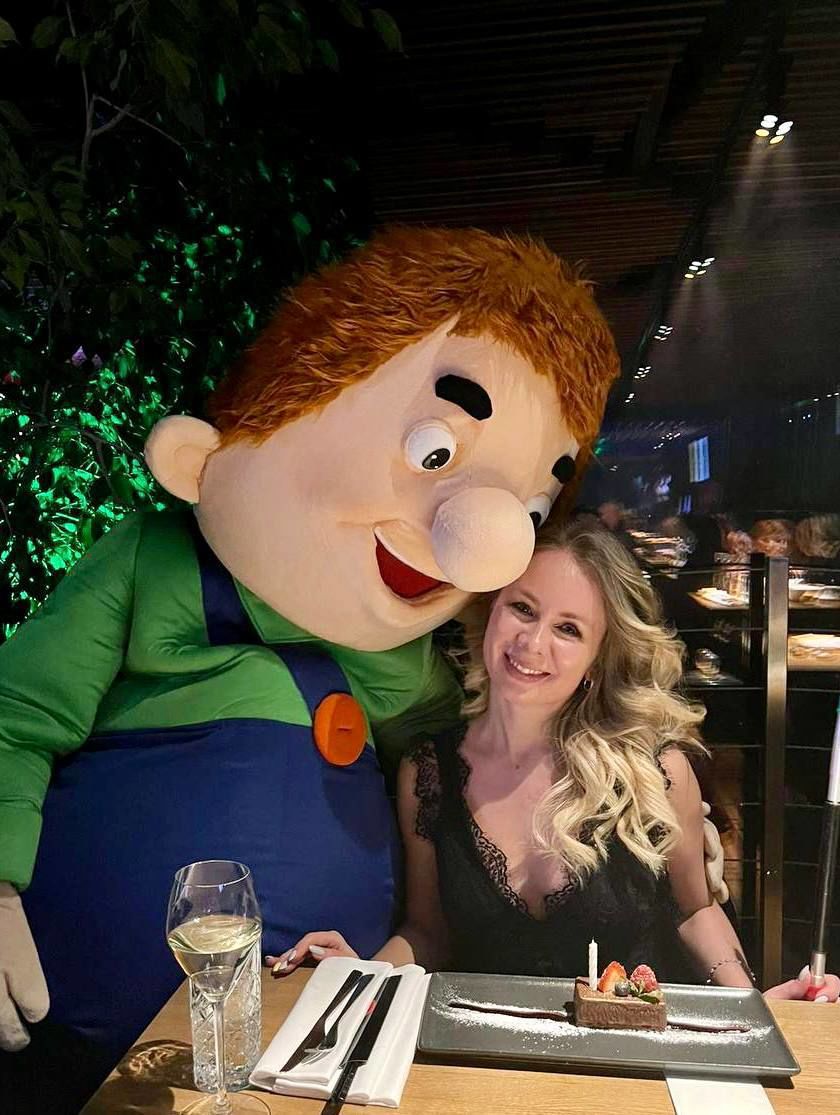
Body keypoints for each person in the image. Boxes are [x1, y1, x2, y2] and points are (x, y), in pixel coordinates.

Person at [273, 520, 839, 1002]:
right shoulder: (427, 773)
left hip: (633, 1059)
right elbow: (429, 932)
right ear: (491, 612)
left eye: (568, 629)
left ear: (597, 659)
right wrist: (363, 976)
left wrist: (753, 1009)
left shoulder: (655, 771)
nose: (533, 643)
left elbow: (696, 912)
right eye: (523, 608)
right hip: (492, 1060)